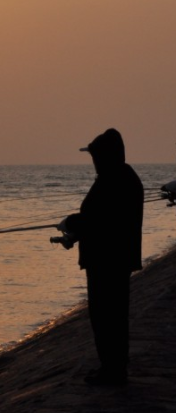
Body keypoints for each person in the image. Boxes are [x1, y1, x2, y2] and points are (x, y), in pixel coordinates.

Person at [62, 128, 143, 386]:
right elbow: (101, 221)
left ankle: (112, 371)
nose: (93, 161)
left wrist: (71, 222)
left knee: (107, 317)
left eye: (96, 156)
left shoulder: (115, 180)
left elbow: (101, 220)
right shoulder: (120, 177)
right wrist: (75, 234)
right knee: (110, 316)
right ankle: (112, 367)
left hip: (108, 261)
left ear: (107, 156)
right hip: (111, 258)